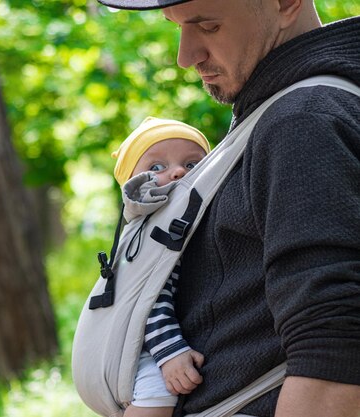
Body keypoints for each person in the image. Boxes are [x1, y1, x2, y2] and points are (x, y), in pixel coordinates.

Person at [96, 0, 360, 416]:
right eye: (177, 26)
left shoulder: (302, 121)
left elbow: (333, 354)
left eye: (208, 26)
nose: (186, 56)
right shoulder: (281, 108)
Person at [110, 116, 211, 417]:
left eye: (192, 164)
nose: (179, 171)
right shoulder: (152, 228)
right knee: (156, 395)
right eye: (156, 168)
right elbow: (148, 299)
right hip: (150, 344)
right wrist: (170, 353)